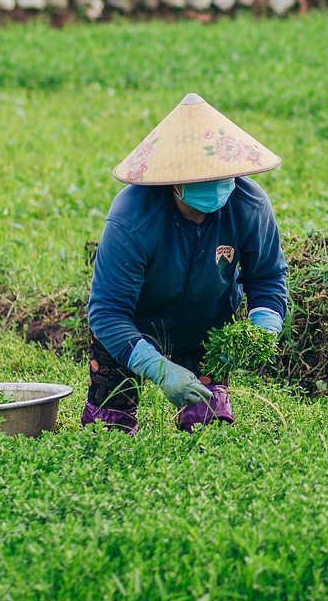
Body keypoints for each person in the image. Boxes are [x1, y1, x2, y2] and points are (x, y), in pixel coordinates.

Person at [81, 93, 287, 432]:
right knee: (108, 429)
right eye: (201, 176)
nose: (216, 184)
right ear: (173, 177)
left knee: (208, 425)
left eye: (222, 174)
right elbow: (107, 311)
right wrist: (159, 369)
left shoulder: (249, 206)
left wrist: (261, 330)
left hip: (206, 327)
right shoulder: (132, 218)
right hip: (132, 329)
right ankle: (117, 412)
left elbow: (267, 278)